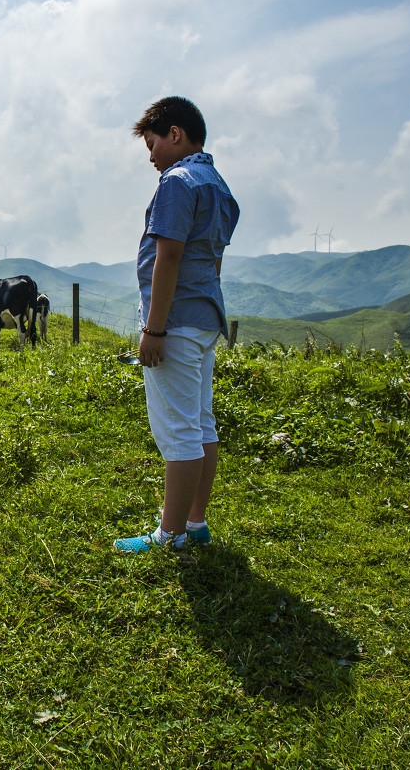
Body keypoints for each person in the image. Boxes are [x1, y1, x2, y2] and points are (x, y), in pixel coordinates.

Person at [114, 96, 240, 553]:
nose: (150, 158)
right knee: (201, 423)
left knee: (179, 429)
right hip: (206, 316)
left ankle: (170, 536)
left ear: (175, 134)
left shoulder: (178, 181)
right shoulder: (219, 186)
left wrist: (154, 330)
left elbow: (168, 256)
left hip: (178, 322)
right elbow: (214, 259)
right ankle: (195, 522)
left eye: (151, 144)